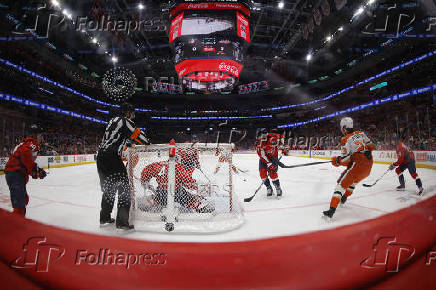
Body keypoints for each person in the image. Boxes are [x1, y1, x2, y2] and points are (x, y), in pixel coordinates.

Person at [97, 103, 149, 230]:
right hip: (112, 157)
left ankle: (104, 217)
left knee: (109, 189)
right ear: (127, 112)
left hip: (101, 157)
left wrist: (129, 142)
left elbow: (120, 137)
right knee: (124, 189)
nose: (132, 116)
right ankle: (121, 221)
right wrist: (146, 141)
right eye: (131, 113)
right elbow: (142, 138)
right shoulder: (126, 121)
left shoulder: (112, 120)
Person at [323, 117, 374, 218]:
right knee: (353, 182)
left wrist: (337, 161)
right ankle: (344, 198)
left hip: (358, 164)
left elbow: (345, 161)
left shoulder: (345, 139)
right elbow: (371, 146)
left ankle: (331, 211)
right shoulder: (361, 133)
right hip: (369, 165)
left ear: (345, 128)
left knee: (340, 185)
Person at [4, 124, 47, 217]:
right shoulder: (32, 143)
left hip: (14, 174)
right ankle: (17, 227)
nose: (41, 137)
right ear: (35, 135)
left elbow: (23, 162)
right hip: (15, 174)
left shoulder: (27, 143)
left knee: (23, 200)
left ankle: (17, 224)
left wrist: (33, 171)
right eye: (40, 135)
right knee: (19, 205)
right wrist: (35, 170)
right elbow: (25, 155)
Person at [256, 128, 283, 198]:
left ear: (266, 134)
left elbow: (281, 136)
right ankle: (268, 187)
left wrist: (282, 143)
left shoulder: (273, 137)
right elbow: (262, 155)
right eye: (260, 137)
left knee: (272, 173)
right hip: (264, 159)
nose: (261, 138)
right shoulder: (258, 143)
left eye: (262, 136)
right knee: (262, 174)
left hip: (273, 158)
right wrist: (268, 163)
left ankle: (278, 187)